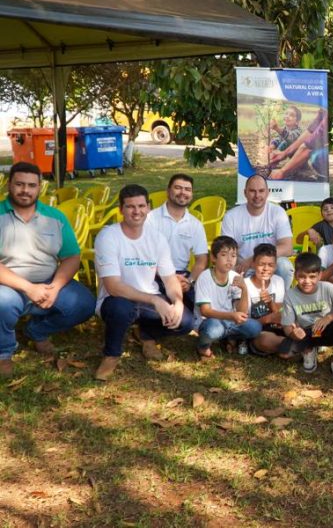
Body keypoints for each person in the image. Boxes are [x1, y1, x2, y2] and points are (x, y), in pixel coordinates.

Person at [0, 162, 95, 377]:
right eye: (19, 184)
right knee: (2, 303)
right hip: (8, 284)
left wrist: (55, 287)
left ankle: (37, 331)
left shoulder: (56, 217)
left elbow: (71, 256)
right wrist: (28, 288)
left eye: (31, 185)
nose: (25, 190)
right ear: (9, 185)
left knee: (84, 303)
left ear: (40, 187)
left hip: (49, 281)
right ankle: (3, 352)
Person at [94, 185, 194, 380]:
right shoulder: (108, 236)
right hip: (117, 299)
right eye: (130, 207)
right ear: (120, 209)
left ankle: (146, 334)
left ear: (148, 207)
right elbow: (113, 286)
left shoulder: (157, 238)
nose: (136, 212)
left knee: (185, 322)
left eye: (141, 206)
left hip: (147, 300)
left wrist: (178, 302)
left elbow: (169, 278)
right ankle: (111, 355)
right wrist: (156, 301)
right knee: (121, 309)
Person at [280, 252, 333, 378]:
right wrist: (294, 334)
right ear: (295, 275)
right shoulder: (290, 295)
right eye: (302, 277)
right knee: (285, 354)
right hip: (308, 331)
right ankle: (309, 349)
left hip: (330, 328)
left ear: (320, 275)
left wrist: (330, 317)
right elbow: (287, 327)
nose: (307, 281)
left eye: (312, 276)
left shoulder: (328, 288)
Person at [194, 236, 262, 360]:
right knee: (213, 329)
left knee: (255, 327)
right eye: (224, 255)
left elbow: (242, 312)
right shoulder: (205, 277)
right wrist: (231, 316)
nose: (229, 260)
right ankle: (203, 347)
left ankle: (228, 338)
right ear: (213, 258)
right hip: (210, 321)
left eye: (233, 256)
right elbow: (205, 311)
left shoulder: (234, 276)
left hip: (229, 321)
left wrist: (244, 289)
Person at [146, 173, 208, 307]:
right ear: (168, 191)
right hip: (153, 273)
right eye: (178, 188)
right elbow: (143, 256)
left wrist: (190, 281)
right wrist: (169, 278)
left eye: (187, 189)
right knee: (158, 309)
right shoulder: (151, 219)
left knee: (199, 307)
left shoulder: (195, 224)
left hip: (182, 276)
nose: (183, 193)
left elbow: (201, 260)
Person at [221, 174, 294, 285]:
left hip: (269, 266)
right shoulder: (231, 216)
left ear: (267, 192)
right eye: (252, 191)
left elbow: (287, 247)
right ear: (245, 193)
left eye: (261, 191)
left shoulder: (278, 212)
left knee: (284, 266)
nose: (257, 195)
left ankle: (280, 300)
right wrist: (237, 268)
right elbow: (226, 251)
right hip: (243, 268)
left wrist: (253, 260)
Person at [245, 244, 288, 357]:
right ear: (253, 264)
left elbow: (279, 312)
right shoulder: (245, 285)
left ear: (275, 267)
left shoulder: (278, 281)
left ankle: (292, 347)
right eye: (262, 264)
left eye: (270, 265)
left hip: (277, 327)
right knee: (265, 341)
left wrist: (270, 302)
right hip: (258, 331)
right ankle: (296, 347)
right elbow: (244, 323)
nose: (266, 269)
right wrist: (268, 319)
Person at [269, 108, 328, 181]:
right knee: (283, 143)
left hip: (302, 159)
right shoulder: (322, 112)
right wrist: (273, 147)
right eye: (286, 114)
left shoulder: (297, 131)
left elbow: (292, 139)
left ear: (297, 122)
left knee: (317, 157)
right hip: (296, 155)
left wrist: (282, 171)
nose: (287, 116)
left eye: (291, 115)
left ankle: (320, 178)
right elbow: (311, 129)